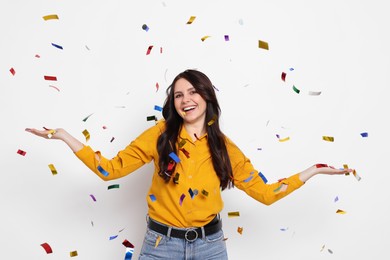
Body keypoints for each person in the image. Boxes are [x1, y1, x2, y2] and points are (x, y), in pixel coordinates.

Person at [26, 69, 353, 259]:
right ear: (174, 103)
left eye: (193, 92)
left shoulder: (225, 148)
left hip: (211, 247)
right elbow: (109, 170)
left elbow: (266, 194)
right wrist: (66, 137)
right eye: (179, 95)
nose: (186, 99)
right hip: (159, 246)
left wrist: (312, 171)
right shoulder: (159, 135)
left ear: (207, 97)